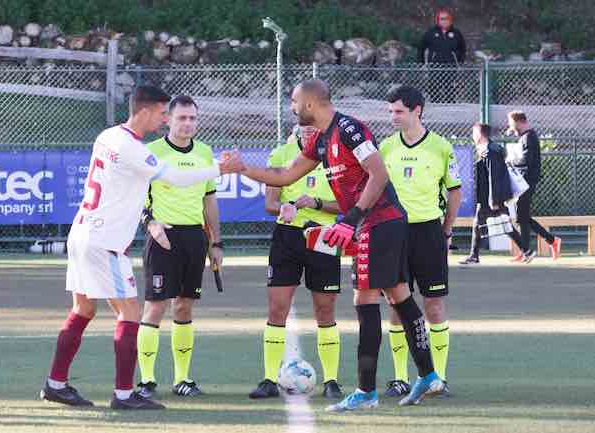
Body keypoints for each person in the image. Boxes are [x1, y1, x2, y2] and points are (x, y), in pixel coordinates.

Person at [240, 79, 443, 411]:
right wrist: (243, 169)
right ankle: (428, 375)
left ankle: (366, 392)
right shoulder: (321, 141)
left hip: (379, 223)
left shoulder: (349, 129)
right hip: (379, 224)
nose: (290, 107)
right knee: (399, 296)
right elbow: (286, 176)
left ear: (309, 104)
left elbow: (379, 175)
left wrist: (350, 220)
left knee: (364, 300)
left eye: (293, 101)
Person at [39, 86, 243, 410]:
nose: (165, 120)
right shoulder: (131, 147)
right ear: (146, 111)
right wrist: (221, 168)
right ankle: (123, 395)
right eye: (164, 113)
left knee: (84, 310)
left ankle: (56, 384)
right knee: (131, 315)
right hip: (104, 243)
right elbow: (175, 177)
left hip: (82, 233)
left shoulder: (107, 136)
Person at [135, 95, 224, 400]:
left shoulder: (205, 152)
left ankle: (182, 379)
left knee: (184, 306)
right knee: (155, 306)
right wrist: (151, 224)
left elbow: (209, 201)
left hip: (194, 239)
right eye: (181, 118)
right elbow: (135, 199)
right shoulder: (151, 153)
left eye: (192, 118)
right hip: (163, 239)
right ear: (168, 120)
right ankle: (146, 381)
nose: (187, 123)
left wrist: (216, 242)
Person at [248, 125, 344, 400]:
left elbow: (346, 205)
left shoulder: (337, 157)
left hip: (324, 236)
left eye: (313, 123)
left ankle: (332, 381)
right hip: (287, 237)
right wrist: (285, 208)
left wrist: (315, 203)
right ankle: (268, 379)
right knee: (277, 307)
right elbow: (270, 203)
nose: (308, 129)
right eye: (303, 123)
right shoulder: (281, 154)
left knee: (325, 310)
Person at [379, 85, 460, 398]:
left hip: (429, 232)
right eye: (391, 112)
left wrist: (447, 228)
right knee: (397, 305)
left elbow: (454, 190)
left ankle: (438, 377)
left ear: (417, 111)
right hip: (394, 232)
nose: (393, 117)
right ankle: (399, 377)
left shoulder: (441, 147)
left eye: (398, 111)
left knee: (434, 305)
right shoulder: (386, 147)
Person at [460, 123, 526, 264]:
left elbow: (494, 177)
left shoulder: (491, 151)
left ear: (479, 134)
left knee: (502, 225)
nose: (472, 136)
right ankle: (474, 255)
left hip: (491, 198)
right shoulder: (485, 149)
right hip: (487, 198)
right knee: (484, 224)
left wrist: (494, 200)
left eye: (474, 133)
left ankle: (526, 250)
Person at [506, 111, 561, 261]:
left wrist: (510, 161)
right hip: (524, 182)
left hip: (527, 182)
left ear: (519, 122)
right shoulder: (525, 137)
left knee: (522, 217)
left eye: (511, 123)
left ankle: (544, 244)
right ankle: (532, 248)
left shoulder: (529, 137)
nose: (510, 126)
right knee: (522, 217)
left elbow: (526, 160)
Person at [419, 8, 466, 104]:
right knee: (434, 87)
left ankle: (450, 107)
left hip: (450, 65)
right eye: (442, 19)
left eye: (446, 19)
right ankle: (435, 105)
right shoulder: (431, 33)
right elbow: (421, 47)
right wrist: (422, 63)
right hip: (435, 65)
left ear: (450, 20)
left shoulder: (456, 33)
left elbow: (463, 48)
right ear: (438, 20)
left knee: (450, 88)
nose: (444, 21)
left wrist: (460, 62)